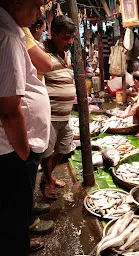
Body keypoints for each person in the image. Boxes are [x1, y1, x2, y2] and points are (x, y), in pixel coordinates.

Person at [0, 0, 51, 255]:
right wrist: (24, 153)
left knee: (14, 211)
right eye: (37, 5)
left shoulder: (11, 31)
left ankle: (20, 238)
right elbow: (9, 110)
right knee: (13, 214)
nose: (39, 13)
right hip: (11, 150)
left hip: (12, 147)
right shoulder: (7, 36)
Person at [23, 17, 54, 250]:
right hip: (21, 134)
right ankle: (23, 232)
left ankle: (29, 211)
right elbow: (46, 65)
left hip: (29, 131)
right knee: (18, 186)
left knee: (26, 180)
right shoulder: (14, 33)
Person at [40, 15, 76, 200]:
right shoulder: (42, 53)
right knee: (47, 153)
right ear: (53, 35)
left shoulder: (67, 53)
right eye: (65, 37)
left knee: (64, 149)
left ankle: (48, 176)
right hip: (50, 116)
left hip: (65, 116)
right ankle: (47, 182)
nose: (69, 42)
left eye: (71, 37)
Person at [117, 71, 139, 145]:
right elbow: (136, 106)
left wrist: (138, 106)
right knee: (137, 107)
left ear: (135, 81)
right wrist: (125, 115)